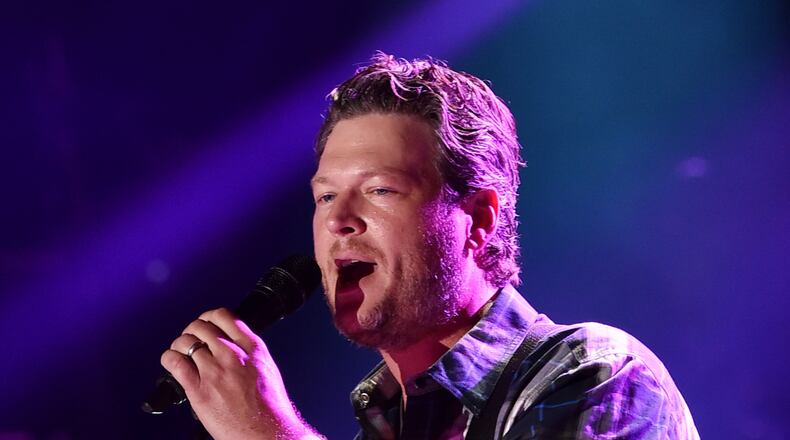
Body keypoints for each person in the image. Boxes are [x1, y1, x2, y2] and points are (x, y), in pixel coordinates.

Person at [161, 53, 700, 439]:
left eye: (380, 190)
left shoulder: (594, 374)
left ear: (478, 219)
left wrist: (267, 433)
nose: (339, 221)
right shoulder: (384, 422)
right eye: (325, 197)